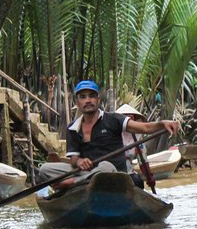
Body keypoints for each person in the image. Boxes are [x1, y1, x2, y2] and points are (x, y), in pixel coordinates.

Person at [38, 80, 179, 190]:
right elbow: (74, 158)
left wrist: (162, 124)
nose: (88, 100)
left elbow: (145, 128)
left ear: (98, 100)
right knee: (45, 169)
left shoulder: (113, 119)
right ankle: (83, 180)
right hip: (86, 173)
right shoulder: (73, 128)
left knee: (105, 166)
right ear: (77, 102)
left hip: (113, 173)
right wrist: (80, 161)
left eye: (92, 96)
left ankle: (72, 183)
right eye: (83, 97)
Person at [116, 103, 147, 188]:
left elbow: (143, 160)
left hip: (128, 171)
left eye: (131, 118)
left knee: (138, 182)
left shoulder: (137, 138)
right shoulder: (113, 134)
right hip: (113, 171)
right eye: (125, 118)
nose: (128, 121)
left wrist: (149, 176)